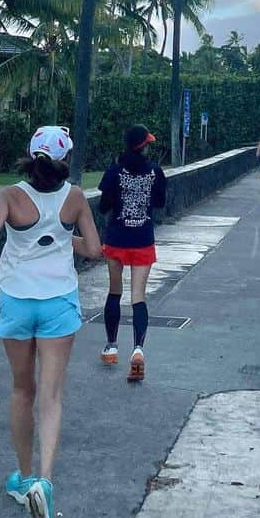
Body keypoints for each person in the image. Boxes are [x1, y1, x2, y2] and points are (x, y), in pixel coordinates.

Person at [0, 125, 101, 518]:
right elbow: (95, 250)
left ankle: (23, 477)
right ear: (65, 156)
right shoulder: (76, 197)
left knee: (21, 390)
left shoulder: (10, 197)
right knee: (51, 397)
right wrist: (65, 239)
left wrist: (0, 247)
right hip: (58, 302)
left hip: (16, 298)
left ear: (31, 154)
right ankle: (44, 483)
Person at [98, 124, 167, 381]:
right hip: (142, 239)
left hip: (116, 238)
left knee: (114, 291)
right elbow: (160, 202)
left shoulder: (114, 171)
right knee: (138, 295)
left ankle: (111, 346)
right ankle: (137, 349)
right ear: (143, 146)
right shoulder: (154, 171)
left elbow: (104, 206)